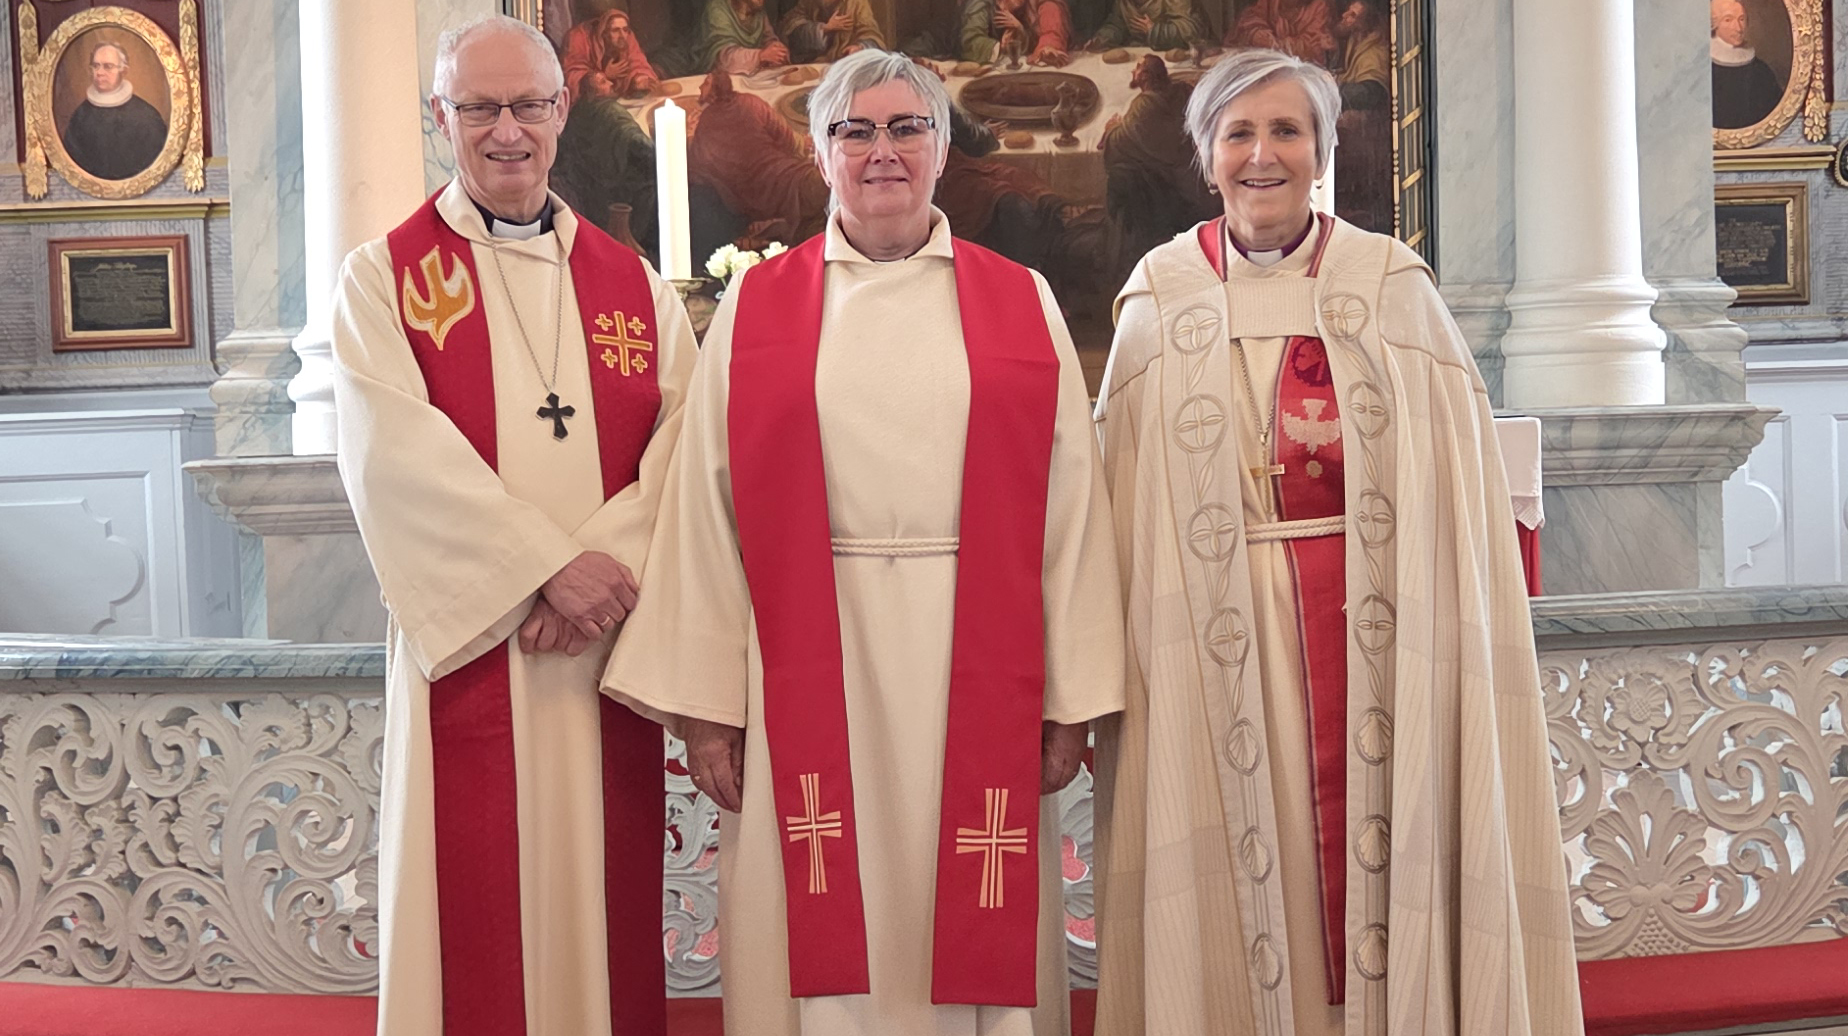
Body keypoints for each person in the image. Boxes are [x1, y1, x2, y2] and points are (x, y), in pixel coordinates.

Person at [605, 47, 1124, 1036]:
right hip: (807, 663)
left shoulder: (1020, 301)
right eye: (855, 131)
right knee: (821, 933)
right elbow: (705, 516)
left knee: (968, 913)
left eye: (905, 128)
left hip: (978, 658)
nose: (881, 152)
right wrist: (711, 708)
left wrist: (1070, 694)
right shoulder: (758, 308)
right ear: (820, 153)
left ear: (941, 151)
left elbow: (1073, 506)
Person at [1090, 48, 1584, 1036]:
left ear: (1323, 152)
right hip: (1206, 648)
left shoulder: (1392, 289)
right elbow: (1116, 508)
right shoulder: (1159, 299)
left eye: (1285, 131)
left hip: (1378, 633)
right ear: (1204, 155)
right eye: (1237, 133)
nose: (1261, 155)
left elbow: (1456, 504)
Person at [329, 15, 695, 1036]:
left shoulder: (636, 288)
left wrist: (603, 572)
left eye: (528, 105)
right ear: (439, 118)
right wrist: (541, 570)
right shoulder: (383, 281)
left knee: (599, 901)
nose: (506, 132)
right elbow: (391, 456)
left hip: (599, 652)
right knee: (473, 908)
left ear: (562, 111)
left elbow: (685, 455)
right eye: (479, 108)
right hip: (477, 644)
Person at [1101, 55, 1217, 278]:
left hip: (1177, 194)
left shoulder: (1143, 106)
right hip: (1195, 180)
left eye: (1137, 67)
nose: (1133, 72)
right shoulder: (1181, 91)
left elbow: (1121, 143)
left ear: (1144, 76)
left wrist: (1111, 130)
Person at [687, 70, 829, 247]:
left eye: (706, 83)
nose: (701, 87)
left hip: (755, 198)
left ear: (716, 89)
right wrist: (803, 142)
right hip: (784, 182)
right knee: (827, 189)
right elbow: (787, 139)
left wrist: (689, 138)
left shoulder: (706, 122)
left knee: (825, 195)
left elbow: (696, 168)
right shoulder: (750, 102)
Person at [62, 41, 167, 180]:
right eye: (96, 66)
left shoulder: (146, 116)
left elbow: (156, 164)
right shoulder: (80, 116)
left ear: (124, 71)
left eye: (108, 67)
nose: (99, 73)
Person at [1711, 0, 1782, 129]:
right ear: (1714, 24)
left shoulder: (1761, 70)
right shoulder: (1700, 70)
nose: (1738, 28)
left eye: (1742, 19)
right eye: (1728, 20)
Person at [562, 9, 660, 101]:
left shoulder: (626, 36)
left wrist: (638, 79)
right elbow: (572, 76)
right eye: (615, 30)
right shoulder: (578, 38)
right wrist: (604, 75)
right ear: (604, 32)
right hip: (592, 103)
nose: (622, 35)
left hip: (623, 99)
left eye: (625, 29)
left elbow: (637, 61)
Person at [959, 0, 1074, 66]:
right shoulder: (980, 3)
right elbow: (969, 41)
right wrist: (1001, 47)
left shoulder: (1026, 6)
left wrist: (1020, 31)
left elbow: (1038, 38)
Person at [1227, 0, 1335, 65]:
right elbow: (1251, 20)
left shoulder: (1320, 6)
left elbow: (1314, 47)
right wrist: (1256, 33)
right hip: (1264, 64)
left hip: (1302, 72)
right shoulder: (1271, 2)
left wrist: (1273, 44)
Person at [699, 0, 791, 73]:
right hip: (720, 80)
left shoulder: (758, 11)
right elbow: (724, 58)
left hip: (754, 77)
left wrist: (777, 49)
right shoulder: (718, 9)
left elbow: (768, 38)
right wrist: (760, 55)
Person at [780, 0, 886, 63]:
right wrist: (825, 28)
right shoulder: (809, 2)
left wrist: (860, 47)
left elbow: (871, 33)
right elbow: (791, 28)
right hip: (813, 68)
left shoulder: (856, 3)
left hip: (844, 65)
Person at [1330, 0, 1389, 110]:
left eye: (1353, 15)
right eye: (1348, 10)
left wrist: (1334, 90)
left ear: (1365, 23)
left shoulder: (1375, 53)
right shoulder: (1356, 39)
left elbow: (1370, 93)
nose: (1344, 15)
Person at [1089, 0, 1208, 50]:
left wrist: (1154, 30)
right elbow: (1116, 25)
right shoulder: (1125, 1)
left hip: (1174, 60)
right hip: (1136, 58)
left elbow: (1193, 29)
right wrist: (1102, 38)